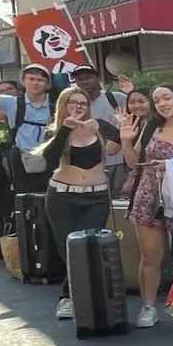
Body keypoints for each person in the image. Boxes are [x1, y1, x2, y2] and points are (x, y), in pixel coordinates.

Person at [118, 82, 173, 326]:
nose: (162, 104)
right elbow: (134, 163)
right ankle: (148, 307)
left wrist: (172, 167)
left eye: (167, 98)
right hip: (148, 196)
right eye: (157, 100)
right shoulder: (152, 127)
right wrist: (125, 141)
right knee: (151, 254)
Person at [35, 86, 117, 320]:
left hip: (96, 195)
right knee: (69, 248)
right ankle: (69, 297)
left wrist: (126, 133)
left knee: (89, 245)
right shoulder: (55, 131)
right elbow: (48, 160)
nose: (78, 107)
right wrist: (65, 129)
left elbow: (124, 140)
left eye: (83, 103)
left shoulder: (98, 126)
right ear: (63, 105)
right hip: (63, 195)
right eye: (73, 103)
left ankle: (87, 296)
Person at [0, 59, 54, 190]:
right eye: (31, 79)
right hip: (21, 161)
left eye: (40, 80)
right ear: (23, 82)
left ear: (47, 85)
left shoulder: (58, 106)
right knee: (26, 200)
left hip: (51, 161)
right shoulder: (12, 103)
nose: (35, 82)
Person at [67, 64, 129, 196]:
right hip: (89, 165)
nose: (84, 82)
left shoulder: (116, 98)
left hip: (118, 161)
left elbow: (135, 117)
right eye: (80, 79)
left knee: (119, 201)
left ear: (98, 78)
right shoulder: (73, 104)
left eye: (88, 77)